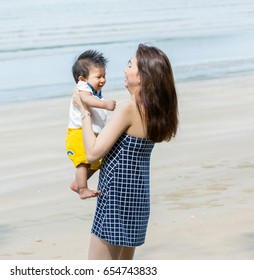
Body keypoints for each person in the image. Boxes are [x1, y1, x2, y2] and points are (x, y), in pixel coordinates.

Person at [73, 44, 179, 259]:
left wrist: (84, 111)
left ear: (142, 77)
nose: (124, 69)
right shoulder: (155, 111)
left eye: (130, 65)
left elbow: (93, 153)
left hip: (115, 197)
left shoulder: (129, 108)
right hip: (137, 197)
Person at [66, 50, 116, 199]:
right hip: (78, 132)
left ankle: (77, 183)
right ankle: (82, 189)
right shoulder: (83, 88)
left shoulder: (93, 89)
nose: (103, 80)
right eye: (98, 77)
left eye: (104, 76)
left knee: (96, 162)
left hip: (90, 132)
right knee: (82, 162)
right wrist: (105, 104)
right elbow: (86, 101)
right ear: (82, 78)